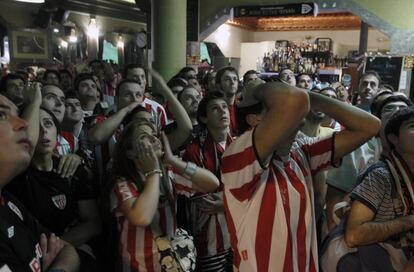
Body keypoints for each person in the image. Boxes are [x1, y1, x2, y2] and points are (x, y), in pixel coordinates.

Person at [221, 79, 380, 271]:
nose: (296, 110)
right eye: (274, 106)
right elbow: (293, 100)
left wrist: (310, 98)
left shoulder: (301, 153)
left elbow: (369, 126)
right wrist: (262, 88)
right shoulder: (238, 156)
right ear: (255, 121)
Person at [109, 119, 220, 271]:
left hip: (170, 265)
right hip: (137, 267)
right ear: (130, 152)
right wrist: (153, 171)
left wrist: (173, 160)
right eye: (144, 137)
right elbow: (142, 217)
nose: (154, 139)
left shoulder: (168, 172)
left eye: (154, 135)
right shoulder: (123, 183)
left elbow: (212, 183)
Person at [6, 107, 101, 269]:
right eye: (36, 125)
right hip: (32, 259)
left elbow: (94, 223)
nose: (43, 131)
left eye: (48, 124)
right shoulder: (14, 178)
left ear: (58, 133)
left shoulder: (74, 170)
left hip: (73, 251)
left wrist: (59, 249)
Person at [0, 94, 80, 271]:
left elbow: (66, 250)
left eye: (49, 124)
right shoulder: (18, 183)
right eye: (1, 115)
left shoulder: (8, 202)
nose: (25, 124)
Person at [345, 107, 414, 271]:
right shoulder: (381, 175)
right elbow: (353, 235)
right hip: (376, 263)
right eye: (412, 126)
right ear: (394, 138)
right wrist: (408, 222)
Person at [182, 91, 233, 271]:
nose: (222, 111)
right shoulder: (195, 151)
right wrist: (234, 200)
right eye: (215, 108)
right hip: (210, 237)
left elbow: (252, 189)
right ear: (203, 118)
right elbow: (205, 201)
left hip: (239, 233)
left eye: (225, 107)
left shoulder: (241, 144)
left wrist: (226, 202)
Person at [215, 66, 239, 136]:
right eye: (227, 79)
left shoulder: (243, 105)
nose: (232, 82)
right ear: (218, 85)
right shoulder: (214, 108)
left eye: (235, 79)